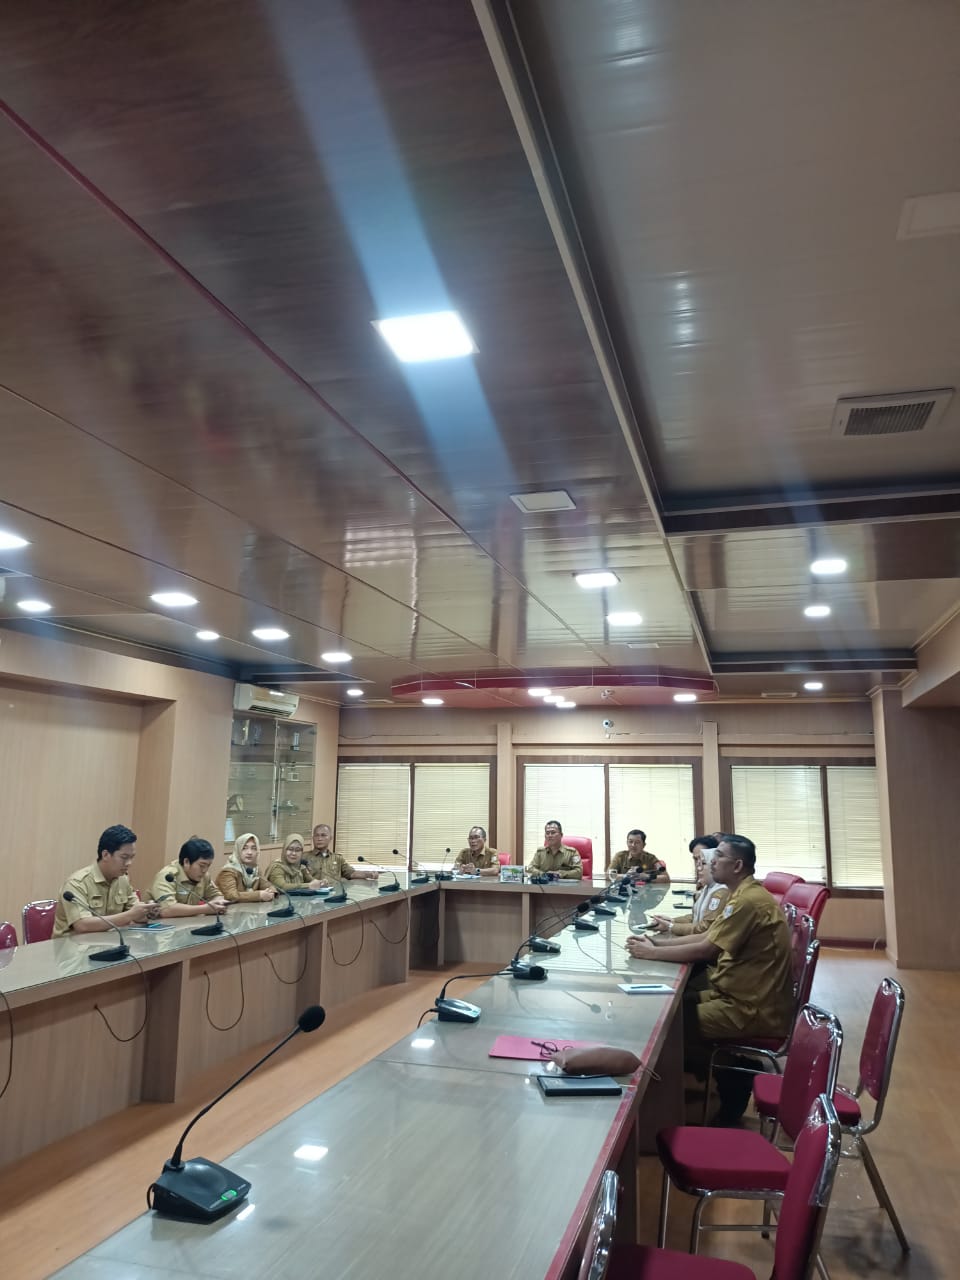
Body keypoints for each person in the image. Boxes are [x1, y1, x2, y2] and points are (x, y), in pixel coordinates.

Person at [625, 833, 793, 1125]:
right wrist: (656, 944)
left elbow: (706, 949)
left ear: (737, 865)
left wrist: (652, 954)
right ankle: (724, 1072)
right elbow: (707, 936)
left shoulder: (747, 901)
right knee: (672, 1008)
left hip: (749, 1008)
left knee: (665, 1027)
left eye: (719, 856)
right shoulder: (741, 894)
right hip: (734, 994)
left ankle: (730, 1080)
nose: (711, 861)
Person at [53, 824, 156, 937]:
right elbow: (82, 925)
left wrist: (146, 912)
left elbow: (135, 912)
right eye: (124, 857)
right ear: (106, 855)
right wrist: (130, 915)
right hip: (73, 946)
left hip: (108, 942)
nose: (129, 863)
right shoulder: (77, 882)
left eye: (132, 857)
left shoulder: (123, 879)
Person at [647, 836, 726, 937]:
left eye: (703, 862)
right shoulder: (707, 886)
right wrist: (671, 921)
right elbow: (696, 917)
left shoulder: (721, 891)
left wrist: (670, 926)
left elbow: (704, 928)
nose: (698, 866)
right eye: (696, 859)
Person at [148, 836, 229, 917]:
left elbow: (217, 896)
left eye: (208, 866)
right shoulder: (168, 876)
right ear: (186, 862)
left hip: (189, 922)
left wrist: (218, 903)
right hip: (159, 923)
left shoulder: (204, 876)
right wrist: (205, 909)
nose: (204, 870)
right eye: (202, 866)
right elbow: (167, 910)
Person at [302, 823, 378, 884]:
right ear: (313, 838)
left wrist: (368, 874)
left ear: (330, 838)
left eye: (323, 835)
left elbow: (351, 873)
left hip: (334, 894)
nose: (319, 839)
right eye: (316, 835)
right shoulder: (303, 857)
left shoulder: (337, 858)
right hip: (311, 894)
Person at [216, 833, 276, 902]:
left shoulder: (255, 869)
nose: (249, 852)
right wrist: (259, 895)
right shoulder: (228, 871)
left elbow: (267, 885)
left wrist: (271, 892)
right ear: (238, 850)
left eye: (253, 848)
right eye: (244, 848)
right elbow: (231, 896)